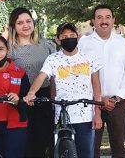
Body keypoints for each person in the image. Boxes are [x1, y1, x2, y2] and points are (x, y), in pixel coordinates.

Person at [23, 23, 103, 158]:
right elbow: (42, 76)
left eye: (72, 36)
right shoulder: (53, 59)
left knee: (86, 153)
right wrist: (31, 93)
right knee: (61, 152)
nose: (69, 39)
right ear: (58, 40)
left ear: (78, 37)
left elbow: (96, 85)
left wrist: (98, 113)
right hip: (62, 116)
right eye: (64, 36)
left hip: (85, 115)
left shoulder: (89, 58)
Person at [78, 4, 125, 158]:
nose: (104, 21)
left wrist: (117, 97)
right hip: (91, 103)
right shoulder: (84, 43)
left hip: (116, 103)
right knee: (92, 147)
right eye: (99, 17)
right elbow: (80, 73)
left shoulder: (123, 44)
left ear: (113, 20)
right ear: (93, 21)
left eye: (107, 17)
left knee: (118, 147)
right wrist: (98, 99)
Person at [6, 7, 56, 157]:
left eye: (28, 21)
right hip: (22, 98)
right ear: (14, 26)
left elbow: (55, 72)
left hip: (45, 96)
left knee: (45, 139)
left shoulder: (46, 44)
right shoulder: (9, 49)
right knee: (27, 140)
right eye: (20, 22)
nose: (25, 25)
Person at [0, 35, 30, 157]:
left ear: (7, 50)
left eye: (0, 49)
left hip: (15, 126)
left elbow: (28, 100)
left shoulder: (19, 72)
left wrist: (18, 100)